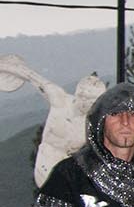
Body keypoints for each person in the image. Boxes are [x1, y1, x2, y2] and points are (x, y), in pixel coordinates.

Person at [0, 54, 108, 187]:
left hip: (68, 166)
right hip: (47, 158)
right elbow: (31, 76)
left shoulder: (94, 122)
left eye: (92, 101)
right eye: (84, 97)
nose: (86, 103)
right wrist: (6, 67)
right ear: (78, 94)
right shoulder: (60, 100)